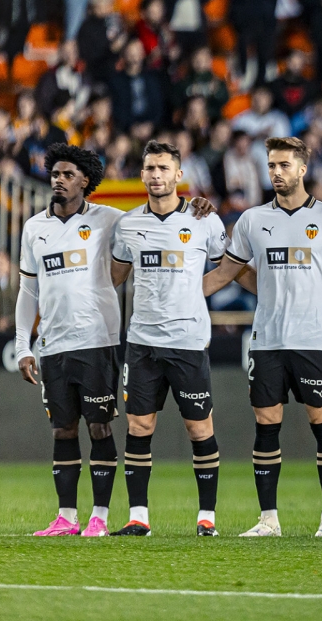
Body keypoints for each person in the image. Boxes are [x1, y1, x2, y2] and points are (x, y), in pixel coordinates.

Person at [203, 136, 322, 538]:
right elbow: (227, 273)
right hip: (267, 340)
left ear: (303, 169)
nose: (276, 172)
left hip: (313, 339)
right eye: (271, 165)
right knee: (266, 424)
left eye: (284, 165)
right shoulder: (252, 220)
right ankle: (268, 519)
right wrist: (178, 292)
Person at [107, 142, 227, 537]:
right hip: (142, 343)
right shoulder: (127, 226)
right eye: (149, 168)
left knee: (199, 429)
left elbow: (229, 268)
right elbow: (116, 279)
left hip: (188, 342)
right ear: (141, 175)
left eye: (163, 168)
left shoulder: (204, 221)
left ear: (179, 175)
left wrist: (194, 293)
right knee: (139, 427)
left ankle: (206, 517)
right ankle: (138, 517)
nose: (155, 175)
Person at [15, 144, 123, 537]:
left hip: (96, 342)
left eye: (68, 175)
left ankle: (100, 516)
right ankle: (66, 517)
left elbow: (153, 223)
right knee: (63, 430)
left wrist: (193, 207)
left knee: (99, 427)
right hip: (52, 346)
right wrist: (25, 345)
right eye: (55, 174)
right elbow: (28, 292)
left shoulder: (109, 220)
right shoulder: (34, 228)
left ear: (86, 182)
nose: (58, 180)